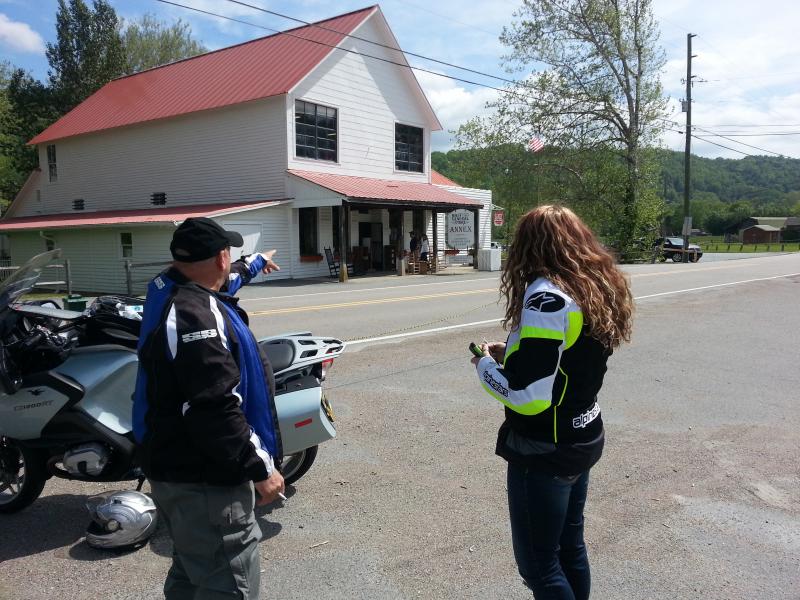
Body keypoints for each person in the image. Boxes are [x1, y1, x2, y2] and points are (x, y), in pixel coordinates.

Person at [471, 205, 633, 600]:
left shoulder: (546, 296)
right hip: (584, 432)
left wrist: (485, 366)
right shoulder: (592, 286)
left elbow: (528, 398)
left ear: (529, 247)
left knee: (540, 567)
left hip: (546, 446)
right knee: (569, 547)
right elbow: (566, 356)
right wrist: (513, 352)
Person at [132, 217, 286, 599]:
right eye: (228, 253)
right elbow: (214, 405)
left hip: (172, 468)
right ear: (220, 257)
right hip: (204, 480)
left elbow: (229, 279)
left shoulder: (168, 288)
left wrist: (255, 263)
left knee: (191, 569)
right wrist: (260, 467)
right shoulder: (196, 314)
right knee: (227, 582)